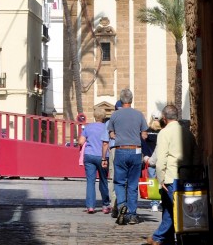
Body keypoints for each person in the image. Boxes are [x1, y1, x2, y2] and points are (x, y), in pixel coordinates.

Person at [144, 103, 201, 245]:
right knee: (170, 209)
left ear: (164, 118)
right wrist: (193, 172)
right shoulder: (187, 133)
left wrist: (161, 178)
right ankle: (166, 239)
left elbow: (161, 158)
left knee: (177, 209)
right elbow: (196, 155)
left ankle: (158, 237)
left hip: (171, 178)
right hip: (187, 177)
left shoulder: (164, 133)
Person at [102, 88, 148, 226]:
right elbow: (144, 135)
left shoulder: (115, 115)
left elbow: (111, 134)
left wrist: (120, 135)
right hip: (136, 151)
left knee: (119, 182)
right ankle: (132, 215)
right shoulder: (139, 115)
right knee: (133, 184)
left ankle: (122, 205)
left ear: (121, 100)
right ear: (131, 100)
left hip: (121, 150)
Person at [78, 108, 111, 214]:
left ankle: (90, 206)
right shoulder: (107, 128)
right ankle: (105, 205)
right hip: (103, 156)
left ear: (94, 116)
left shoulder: (88, 127)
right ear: (104, 117)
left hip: (89, 155)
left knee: (90, 181)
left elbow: (80, 142)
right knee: (103, 180)